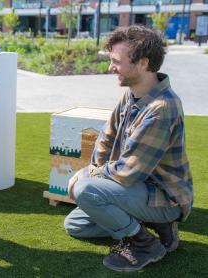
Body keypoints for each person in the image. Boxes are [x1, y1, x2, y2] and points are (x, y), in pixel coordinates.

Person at [64, 25, 193, 272]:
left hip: (164, 197)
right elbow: (106, 137)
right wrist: (92, 167)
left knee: (86, 190)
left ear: (143, 63)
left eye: (117, 61)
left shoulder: (162, 108)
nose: (110, 67)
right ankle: (150, 225)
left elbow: (128, 171)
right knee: (76, 225)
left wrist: (87, 175)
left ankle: (143, 243)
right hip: (135, 190)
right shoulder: (133, 93)